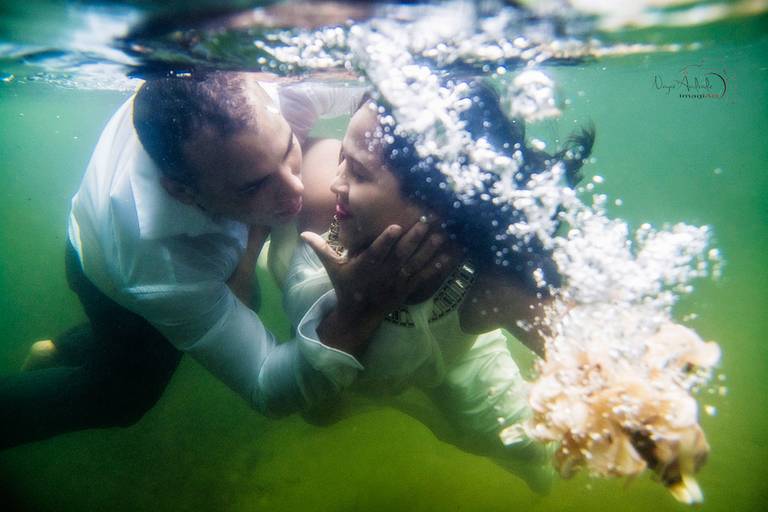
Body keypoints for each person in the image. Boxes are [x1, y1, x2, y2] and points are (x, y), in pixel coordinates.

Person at [0, 71, 452, 449]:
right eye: (253, 186)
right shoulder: (158, 267)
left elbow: (388, 91)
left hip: (195, 239)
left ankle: (63, 347)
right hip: (108, 277)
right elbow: (264, 387)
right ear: (182, 191)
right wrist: (360, 308)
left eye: (287, 150)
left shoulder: (280, 88)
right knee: (123, 397)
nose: (298, 191)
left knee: (241, 297)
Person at [269, 81, 595, 492]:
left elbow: (589, 356)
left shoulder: (486, 274)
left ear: (439, 206)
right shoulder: (317, 192)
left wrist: (655, 420)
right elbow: (262, 154)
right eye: (343, 158)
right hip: (341, 352)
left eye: (360, 171)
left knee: (531, 450)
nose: (337, 181)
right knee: (321, 412)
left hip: (452, 354)